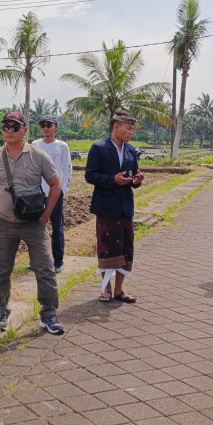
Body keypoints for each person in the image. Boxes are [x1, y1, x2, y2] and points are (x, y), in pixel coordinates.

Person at [0, 112, 65, 335]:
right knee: (0, 271)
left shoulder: (38, 156)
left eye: (14, 126)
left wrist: (45, 216)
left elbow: (55, 185)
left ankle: (49, 314)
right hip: (3, 224)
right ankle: (0, 312)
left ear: (25, 130)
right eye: (6, 127)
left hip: (34, 223)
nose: (9, 131)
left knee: (46, 268)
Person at [84, 111, 144, 303]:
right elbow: (90, 176)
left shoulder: (131, 151)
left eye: (133, 128)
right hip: (106, 207)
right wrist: (112, 180)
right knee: (107, 248)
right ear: (116, 127)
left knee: (126, 248)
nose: (131, 132)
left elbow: (133, 177)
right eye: (128, 127)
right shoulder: (99, 148)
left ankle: (119, 289)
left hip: (125, 207)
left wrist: (136, 181)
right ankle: (106, 289)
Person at [31, 115, 72, 273]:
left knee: (57, 227)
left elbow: (67, 169)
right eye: (43, 125)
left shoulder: (62, 146)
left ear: (56, 127)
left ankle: (58, 260)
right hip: (36, 193)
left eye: (49, 125)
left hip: (55, 192)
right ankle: (35, 260)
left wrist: (63, 189)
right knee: (34, 227)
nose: (46, 128)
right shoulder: (35, 144)